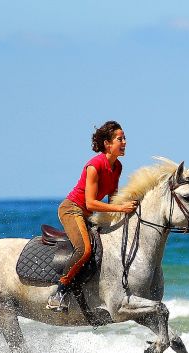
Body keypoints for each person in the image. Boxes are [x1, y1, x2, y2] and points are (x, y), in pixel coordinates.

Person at [47, 120, 138, 312]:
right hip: (72, 209)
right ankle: (59, 292)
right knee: (85, 249)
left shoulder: (117, 166)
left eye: (125, 138)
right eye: (120, 139)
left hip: (87, 213)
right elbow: (90, 203)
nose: (124, 142)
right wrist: (122, 208)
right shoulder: (94, 165)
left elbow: (113, 198)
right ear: (107, 143)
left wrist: (129, 209)